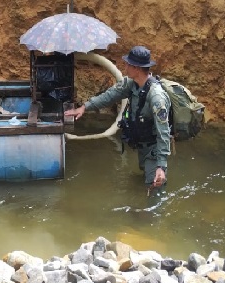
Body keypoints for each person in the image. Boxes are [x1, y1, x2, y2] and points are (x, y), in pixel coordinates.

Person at [64, 46, 171, 194]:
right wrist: (84, 107)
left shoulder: (156, 97)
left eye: (128, 64)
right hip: (142, 145)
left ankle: (150, 214)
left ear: (137, 69)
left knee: (155, 188)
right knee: (145, 179)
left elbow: (163, 132)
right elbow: (109, 96)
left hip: (154, 149)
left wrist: (161, 165)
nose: (125, 66)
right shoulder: (130, 84)